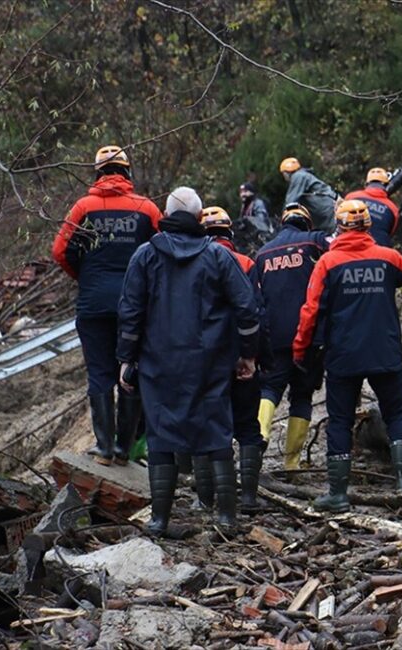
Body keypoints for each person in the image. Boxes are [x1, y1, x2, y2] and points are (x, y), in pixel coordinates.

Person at [117, 187, 260, 535]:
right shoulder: (217, 256)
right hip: (210, 361)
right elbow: (247, 307)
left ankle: (159, 519)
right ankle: (226, 517)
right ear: (200, 219)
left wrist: (126, 358)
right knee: (216, 432)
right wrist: (248, 353)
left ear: (165, 215)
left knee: (160, 435)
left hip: (157, 364)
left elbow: (130, 312)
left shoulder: (144, 256)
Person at [292, 199, 402, 509]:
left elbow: (310, 311)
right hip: (385, 351)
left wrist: (300, 349)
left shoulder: (327, 264)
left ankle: (338, 494)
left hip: (344, 355)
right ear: (368, 225)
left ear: (339, 226)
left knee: (340, 421)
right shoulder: (388, 257)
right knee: (397, 414)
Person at [52, 145, 162, 466]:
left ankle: (102, 448)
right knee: (131, 372)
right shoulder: (147, 208)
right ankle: (123, 449)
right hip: (136, 306)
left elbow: (60, 251)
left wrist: (85, 277)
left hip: (93, 303)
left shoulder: (83, 207)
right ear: (127, 172)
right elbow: (163, 251)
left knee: (100, 373)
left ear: (98, 172)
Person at [254, 203, 329, 470]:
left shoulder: (263, 253)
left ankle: (260, 435)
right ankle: (292, 463)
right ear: (307, 223)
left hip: (274, 336)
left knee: (269, 388)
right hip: (309, 335)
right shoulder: (316, 241)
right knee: (302, 396)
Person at [202, 206, 267, 512]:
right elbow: (256, 311)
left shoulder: (194, 263)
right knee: (248, 426)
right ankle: (249, 498)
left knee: (208, 426)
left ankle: (209, 499)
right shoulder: (246, 262)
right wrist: (251, 354)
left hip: (205, 359)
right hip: (242, 357)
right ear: (229, 233)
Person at [343, 167, 399, 247]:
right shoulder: (393, 209)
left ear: (367, 184)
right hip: (379, 253)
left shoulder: (351, 197)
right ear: (387, 185)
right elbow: (391, 232)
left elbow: (339, 221)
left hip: (349, 246)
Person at [280, 157, 338, 232]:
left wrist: (283, 219)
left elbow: (291, 202)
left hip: (327, 210)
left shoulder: (298, 176)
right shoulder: (303, 175)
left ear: (286, 172)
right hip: (327, 209)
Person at [235, 182, 274, 253]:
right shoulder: (244, 206)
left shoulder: (258, 203)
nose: (242, 194)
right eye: (241, 192)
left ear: (252, 192)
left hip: (260, 238)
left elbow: (260, 221)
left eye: (245, 192)